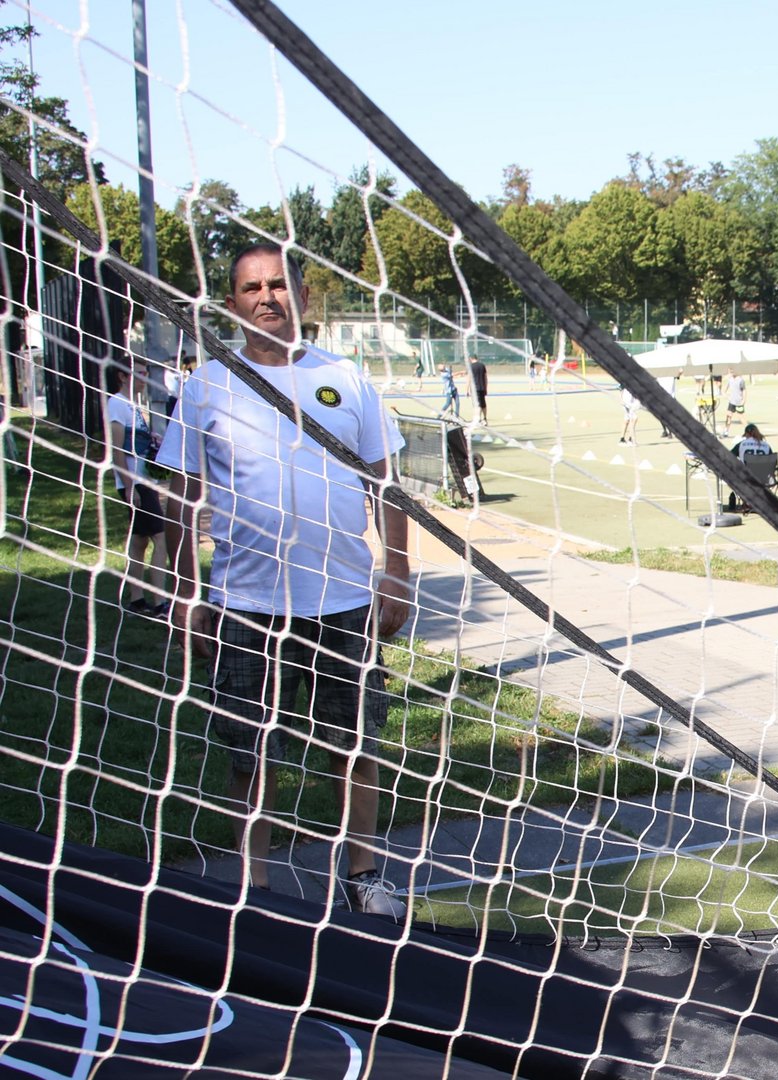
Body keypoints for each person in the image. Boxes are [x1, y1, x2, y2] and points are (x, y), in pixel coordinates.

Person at [155, 242, 411, 919]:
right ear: (232, 302)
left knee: (354, 747)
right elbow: (181, 496)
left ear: (302, 295)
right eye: (250, 287)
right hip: (247, 604)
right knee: (250, 753)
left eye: (277, 284)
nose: (265, 296)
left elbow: (386, 482)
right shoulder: (208, 383)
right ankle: (254, 886)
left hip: (345, 600)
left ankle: (365, 877)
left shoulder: (348, 379)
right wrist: (186, 592)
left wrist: (399, 570)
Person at [104, 362, 168, 616]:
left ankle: (136, 600)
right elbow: (117, 449)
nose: (144, 379)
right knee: (161, 538)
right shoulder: (117, 404)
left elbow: (135, 443)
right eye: (139, 374)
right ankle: (161, 602)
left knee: (139, 541)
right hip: (135, 483)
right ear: (122, 375)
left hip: (144, 480)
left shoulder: (133, 405)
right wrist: (130, 487)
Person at [723, 368, 747, 435]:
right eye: (731, 371)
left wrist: (744, 400)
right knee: (728, 416)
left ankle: (749, 432)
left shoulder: (741, 380)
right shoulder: (730, 380)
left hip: (739, 402)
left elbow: (744, 390)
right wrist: (726, 396)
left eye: (733, 371)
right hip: (731, 402)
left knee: (741, 418)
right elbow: (724, 390)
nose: (732, 372)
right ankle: (726, 431)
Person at [466, 355, 488, 425]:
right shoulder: (482, 365)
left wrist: (467, 390)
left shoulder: (471, 367)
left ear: (470, 359)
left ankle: (478, 419)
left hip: (475, 388)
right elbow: (485, 378)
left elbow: (469, 378)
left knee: (476, 405)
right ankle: (484, 419)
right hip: (482, 387)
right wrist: (486, 388)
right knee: (483, 404)